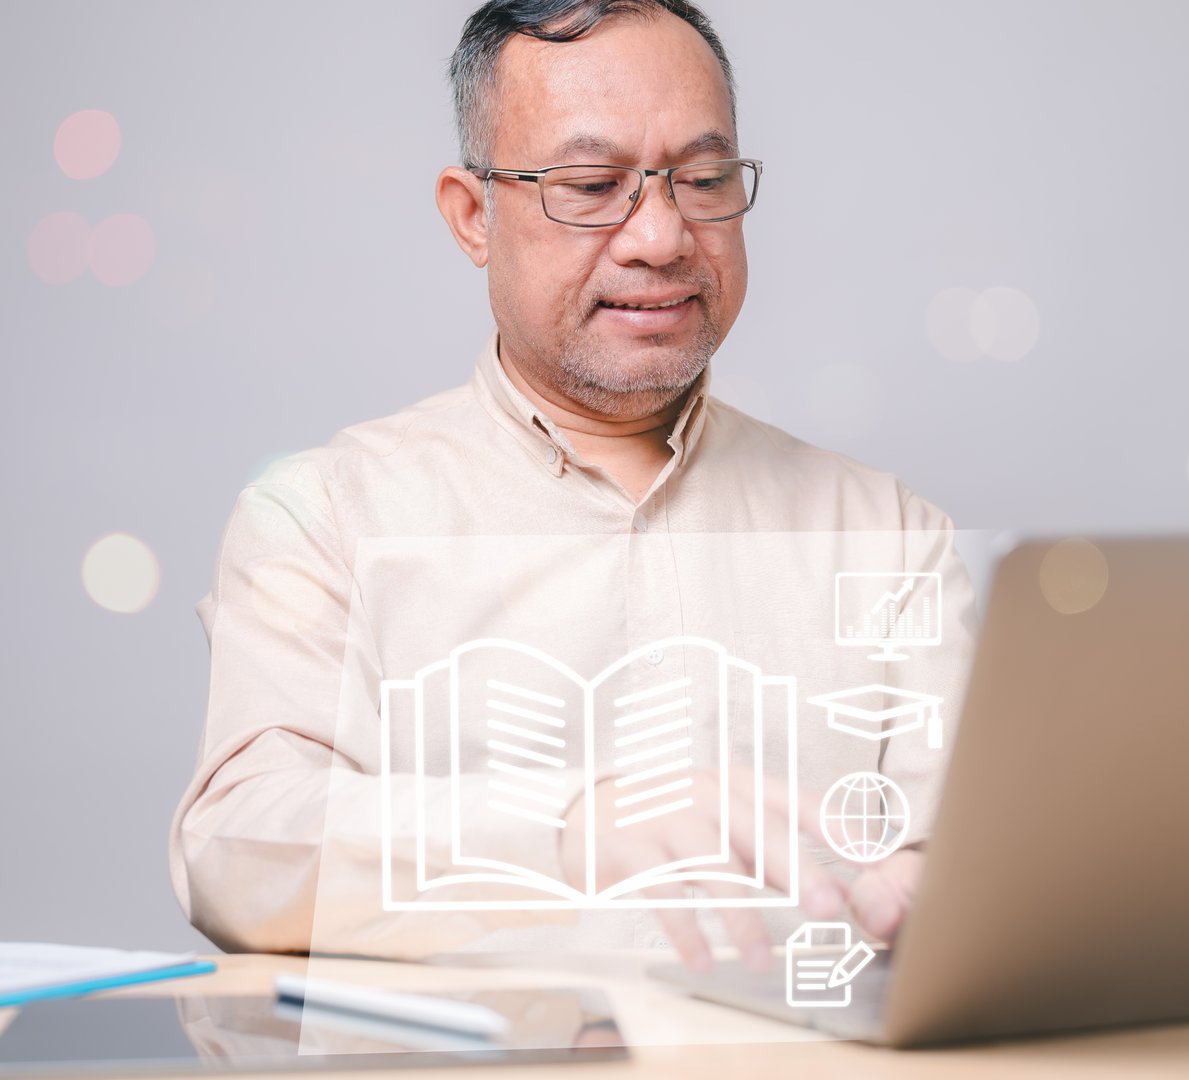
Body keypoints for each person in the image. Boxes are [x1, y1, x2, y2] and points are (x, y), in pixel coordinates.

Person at [170, 0, 972, 972]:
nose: (662, 236)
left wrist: (934, 895)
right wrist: (566, 825)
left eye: (705, 178)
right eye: (593, 185)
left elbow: (967, 860)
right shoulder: (325, 518)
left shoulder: (886, 533)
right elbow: (237, 852)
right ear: (473, 216)